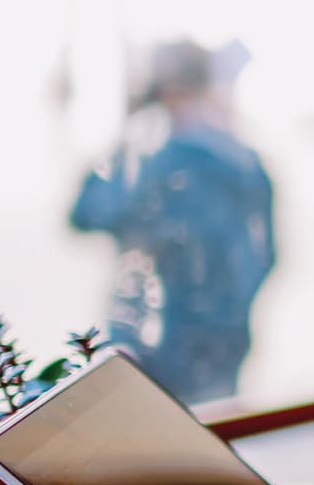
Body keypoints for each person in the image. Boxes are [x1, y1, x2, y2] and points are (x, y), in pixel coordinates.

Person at [68, 39, 276, 406]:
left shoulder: (151, 167)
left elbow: (86, 213)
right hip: (224, 334)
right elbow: (268, 252)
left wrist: (121, 132)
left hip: (154, 337)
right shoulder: (243, 159)